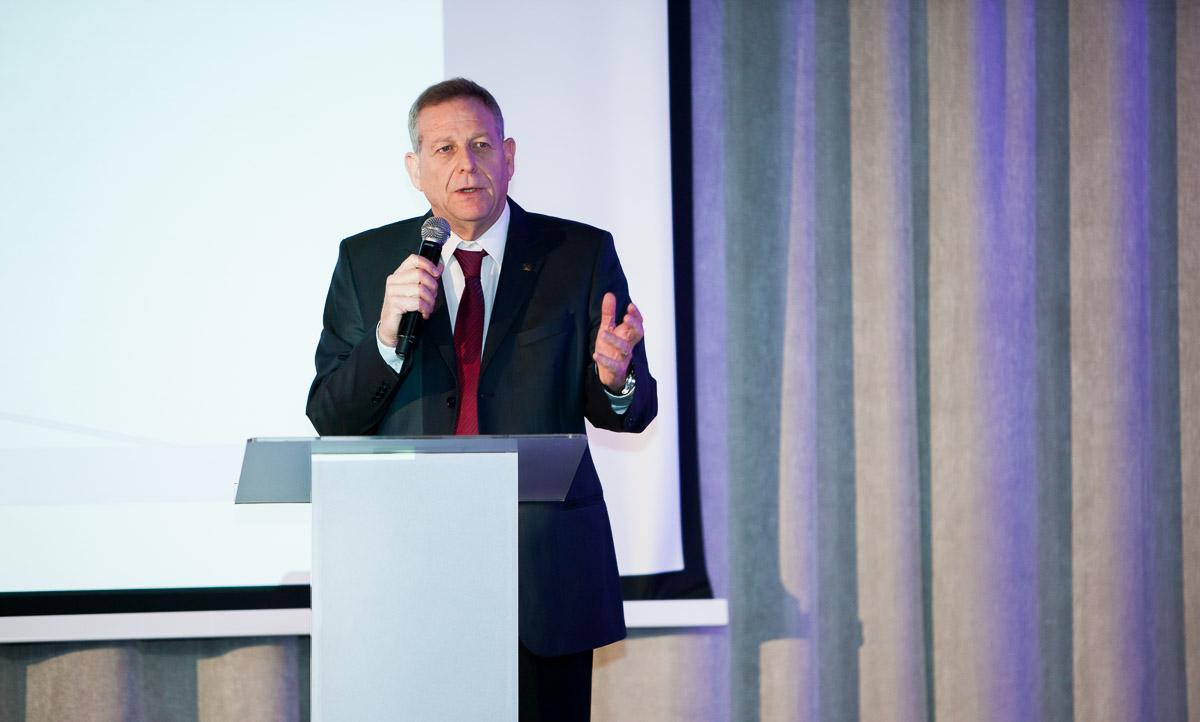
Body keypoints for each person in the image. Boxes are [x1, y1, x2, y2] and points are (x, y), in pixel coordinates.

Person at [305, 77, 657, 721]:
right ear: (415, 169)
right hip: (408, 577)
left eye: (481, 145)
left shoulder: (578, 255)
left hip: (541, 577)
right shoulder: (366, 261)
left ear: (509, 156)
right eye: (443, 149)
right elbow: (331, 416)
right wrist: (386, 336)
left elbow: (633, 410)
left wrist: (615, 379)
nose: (466, 164)